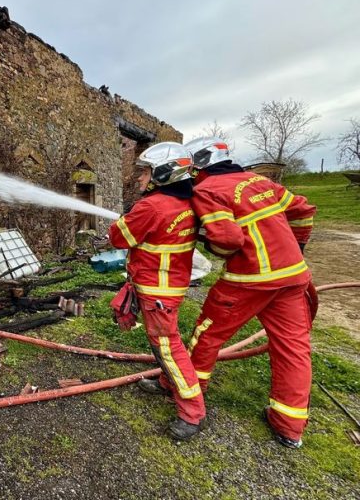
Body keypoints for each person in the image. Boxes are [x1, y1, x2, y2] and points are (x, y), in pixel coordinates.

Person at [172, 137, 314, 448]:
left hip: (248, 280)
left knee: (207, 335)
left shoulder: (208, 190)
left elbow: (227, 240)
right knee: (292, 347)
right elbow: (303, 211)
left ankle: (187, 390)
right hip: (292, 278)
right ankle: (289, 426)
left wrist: (208, 243)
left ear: (199, 165)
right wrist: (298, 248)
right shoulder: (259, 181)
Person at [108, 142, 205, 440]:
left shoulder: (152, 206)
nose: (139, 179)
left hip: (157, 293)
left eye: (145, 172)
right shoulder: (189, 203)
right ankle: (166, 381)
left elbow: (117, 238)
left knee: (168, 348)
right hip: (171, 286)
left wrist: (125, 220)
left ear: (164, 173)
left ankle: (192, 411)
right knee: (165, 345)